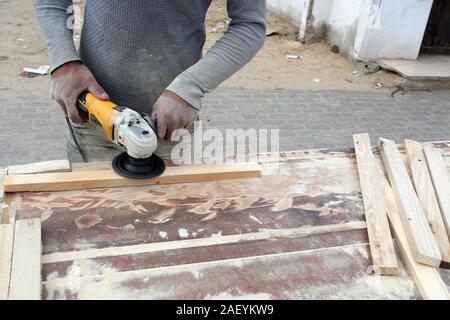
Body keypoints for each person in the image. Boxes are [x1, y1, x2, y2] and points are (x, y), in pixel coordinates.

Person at [32, 0, 266, 162]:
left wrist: (189, 88)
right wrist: (64, 61)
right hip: (94, 115)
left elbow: (249, 25)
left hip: (169, 127)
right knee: (85, 217)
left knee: (166, 221)